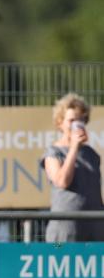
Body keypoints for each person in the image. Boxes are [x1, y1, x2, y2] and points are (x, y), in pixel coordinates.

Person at [42, 93, 104, 242]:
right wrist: (74, 147)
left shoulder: (92, 154)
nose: (77, 124)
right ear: (60, 122)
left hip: (94, 228)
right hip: (65, 229)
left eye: (81, 120)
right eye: (71, 120)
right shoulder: (53, 152)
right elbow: (62, 181)